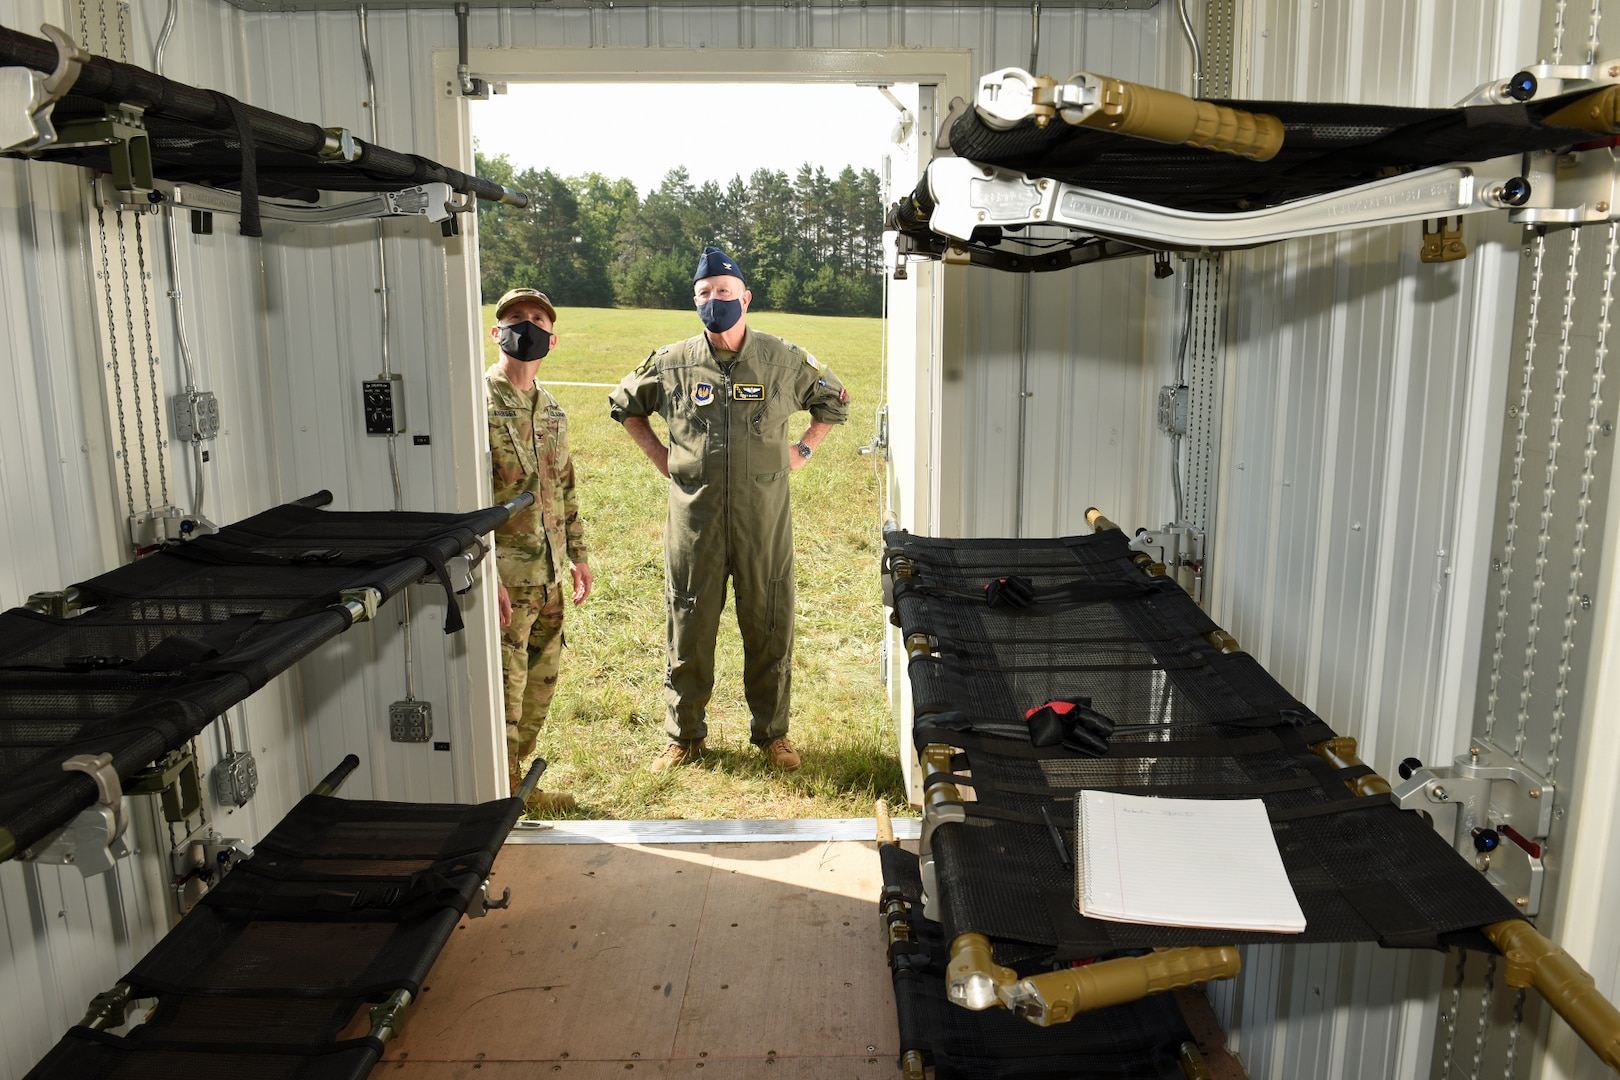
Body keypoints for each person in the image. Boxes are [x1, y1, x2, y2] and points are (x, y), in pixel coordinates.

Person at [608, 246, 849, 773]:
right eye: (704, 293)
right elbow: (624, 404)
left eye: (723, 291)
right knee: (689, 624)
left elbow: (836, 401)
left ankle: (772, 734)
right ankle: (684, 735)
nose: (714, 300)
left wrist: (804, 448)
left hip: (763, 520)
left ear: (746, 298)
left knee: (768, 623)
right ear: (694, 300)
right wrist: (659, 456)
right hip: (695, 523)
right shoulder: (673, 362)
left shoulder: (783, 360)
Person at [487, 287, 592, 811]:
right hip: (506, 580)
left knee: (538, 691)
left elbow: (564, 484)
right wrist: (486, 578)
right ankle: (499, 794)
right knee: (504, 695)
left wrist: (578, 555)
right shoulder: (476, 404)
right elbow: (468, 500)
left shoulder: (550, 409)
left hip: (549, 575)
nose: (526, 326)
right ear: (496, 331)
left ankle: (515, 781)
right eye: (515, 318)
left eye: (537, 319)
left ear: (551, 337)